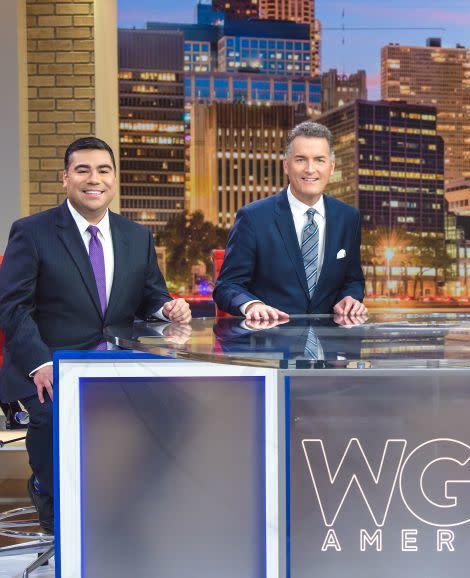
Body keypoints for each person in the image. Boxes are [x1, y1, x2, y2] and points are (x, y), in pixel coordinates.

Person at [0, 137, 191, 533]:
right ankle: (55, 508)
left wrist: (166, 307)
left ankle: (125, 506)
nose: (94, 179)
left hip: (116, 364)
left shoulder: (136, 236)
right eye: (83, 169)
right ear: (65, 178)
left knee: (179, 414)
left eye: (103, 170)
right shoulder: (32, 233)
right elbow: (13, 307)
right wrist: (41, 363)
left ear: (114, 179)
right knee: (55, 419)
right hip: (51, 365)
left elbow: (151, 295)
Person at [213, 121, 366, 320]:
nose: (310, 169)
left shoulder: (349, 218)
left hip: (330, 343)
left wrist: (350, 297)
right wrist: (252, 306)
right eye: (301, 159)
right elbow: (226, 286)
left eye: (319, 160)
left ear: (331, 167)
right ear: (287, 165)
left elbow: (353, 280)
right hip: (270, 338)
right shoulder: (252, 218)